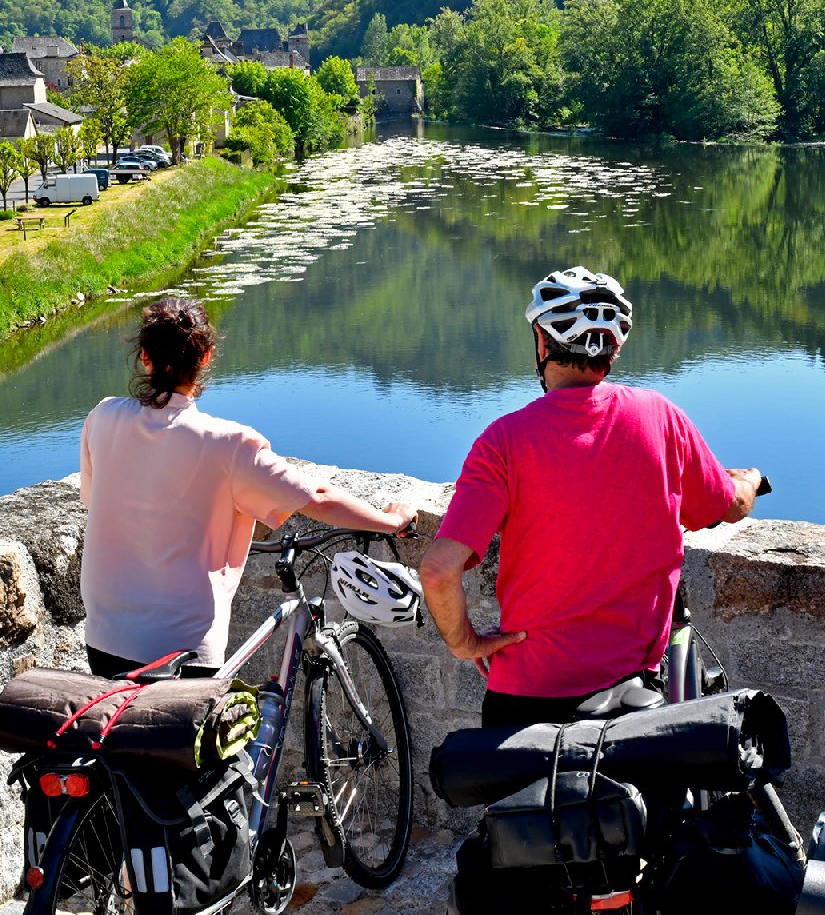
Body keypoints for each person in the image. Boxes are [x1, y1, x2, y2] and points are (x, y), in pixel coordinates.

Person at [418, 266, 766, 726]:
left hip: (525, 699)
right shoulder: (660, 419)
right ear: (613, 347)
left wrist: (466, 643)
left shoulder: (502, 442)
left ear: (543, 344)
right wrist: (748, 480)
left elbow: (439, 571)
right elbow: (727, 505)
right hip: (631, 696)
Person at [79, 297, 414, 678]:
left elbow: (98, 502)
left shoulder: (102, 417)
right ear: (205, 357)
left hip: (105, 639)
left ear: (145, 358)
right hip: (183, 650)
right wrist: (391, 521)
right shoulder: (229, 445)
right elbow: (316, 499)